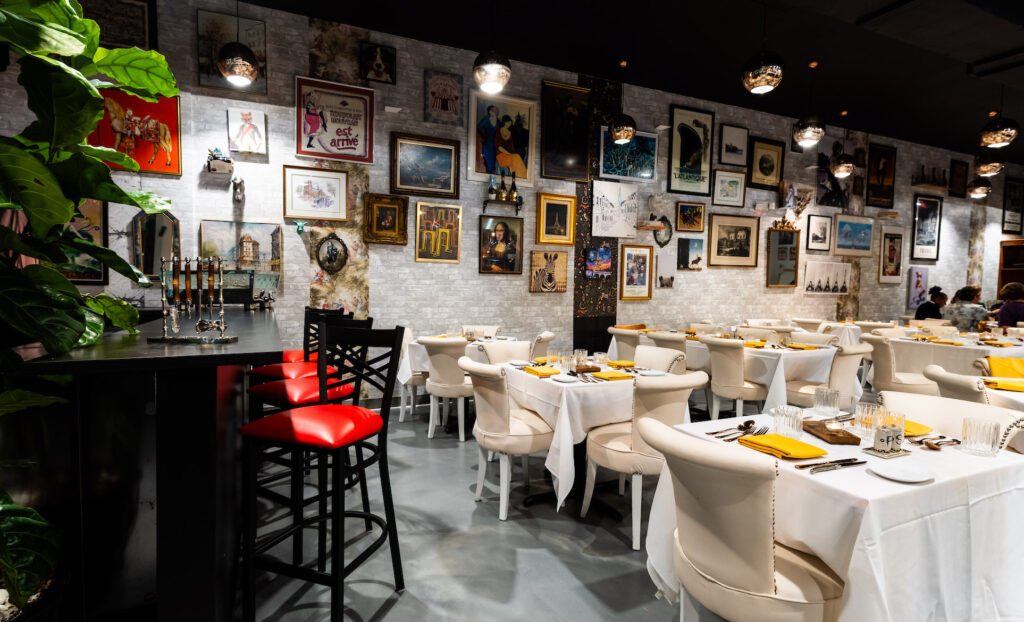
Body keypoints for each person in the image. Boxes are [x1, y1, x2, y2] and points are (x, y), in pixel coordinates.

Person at [494, 115, 528, 179]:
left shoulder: (509, 132)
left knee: (517, 156)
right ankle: (521, 177)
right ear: (505, 122)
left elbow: (511, 147)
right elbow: (499, 147)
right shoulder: (499, 131)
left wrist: (512, 153)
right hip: (501, 155)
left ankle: (522, 177)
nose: (510, 123)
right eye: (509, 122)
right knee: (515, 157)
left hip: (508, 155)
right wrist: (510, 154)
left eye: (510, 122)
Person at [476, 105, 500, 173]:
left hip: (496, 145)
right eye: (493, 110)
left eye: (496, 110)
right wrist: (483, 137)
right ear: (489, 111)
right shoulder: (486, 119)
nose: (496, 111)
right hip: (488, 144)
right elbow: (478, 128)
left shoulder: (498, 121)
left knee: (495, 164)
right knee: (488, 163)